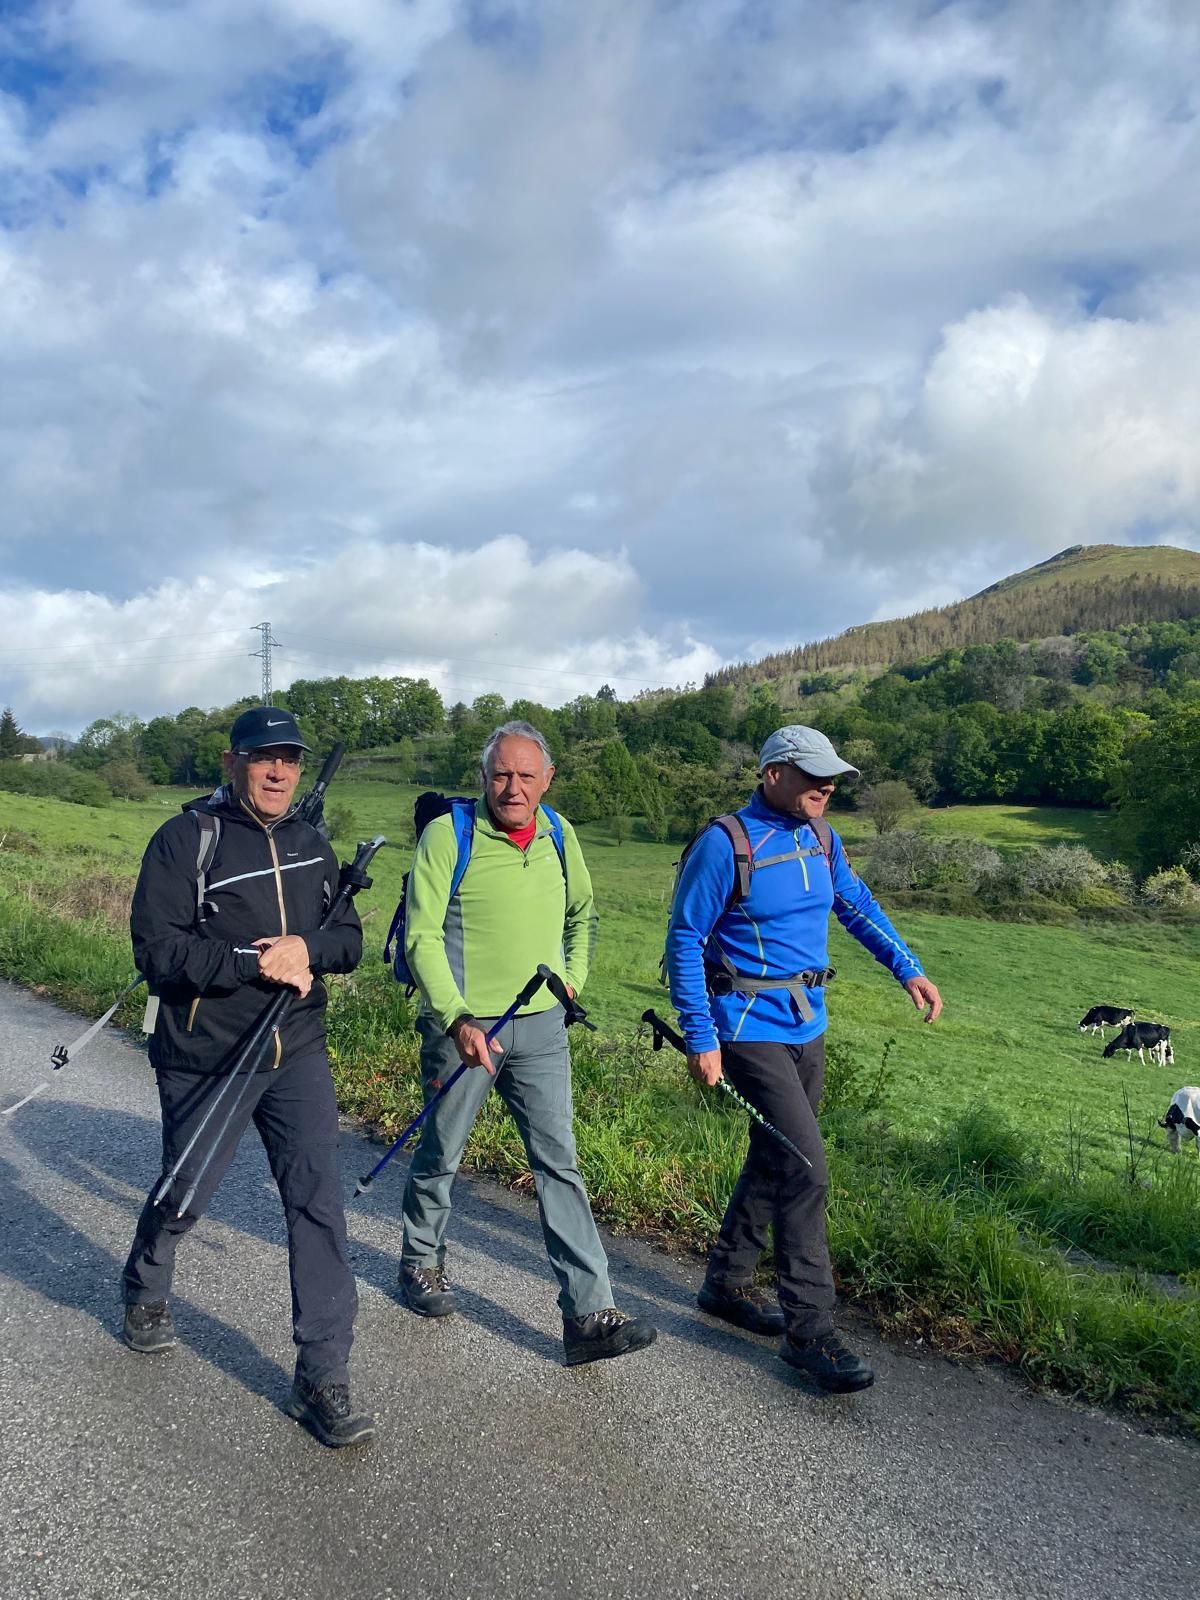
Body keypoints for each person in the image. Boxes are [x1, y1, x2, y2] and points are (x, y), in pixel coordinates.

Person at [121, 706, 373, 1449]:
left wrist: (308, 948)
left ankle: (322, 1375)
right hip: (208, 1053)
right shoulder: (186, 839)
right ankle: (144, 1285)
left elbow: (349, 941)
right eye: (263, 757)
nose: (278, 771)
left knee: (317, 1204)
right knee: (187, 1191)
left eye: (290, 759)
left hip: (295, 1050)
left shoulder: (311, 842)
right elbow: (157, 954)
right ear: (232, 761)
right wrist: (248, 962)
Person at [665, 725, 942, 1393]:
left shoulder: (822, 838)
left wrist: (907, 969)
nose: (827, 785)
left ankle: (727, 1284)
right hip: (744, 1024)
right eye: (813, 774)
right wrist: (700, 1036)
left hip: (806, 1023)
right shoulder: (726, 843)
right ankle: (809, 1330)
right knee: (805, 1167)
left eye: (833, 776)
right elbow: (683, 937)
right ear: (772, 775)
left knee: (775, 1153)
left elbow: (855, 904)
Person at [398, 720, 656, 1366]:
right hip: (464, 1027)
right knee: (443, 1149)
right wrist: (456, 1018)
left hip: (542, 1025)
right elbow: (422, 938)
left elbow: (583, 915)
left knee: (558, 1162)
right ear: (484, 778)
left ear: (548, 780)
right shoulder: (447, 836)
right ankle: (420, 1260)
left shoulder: (560, 835)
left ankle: (588, 1312)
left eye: (525, 776)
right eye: (501, 775)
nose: (512, 788)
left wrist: (573, 980)